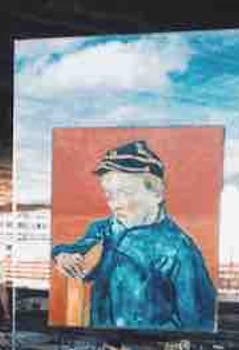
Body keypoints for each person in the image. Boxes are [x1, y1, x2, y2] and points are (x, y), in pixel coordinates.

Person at [51, 139, 217, 331]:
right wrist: (62, 256)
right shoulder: (105, 229)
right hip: (102, 338)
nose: (115, 204)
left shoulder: (178, 251)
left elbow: (199, 323)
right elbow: (73, 248)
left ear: (157, 194)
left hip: (147, 346)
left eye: (126, 193)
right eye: (109, 195)